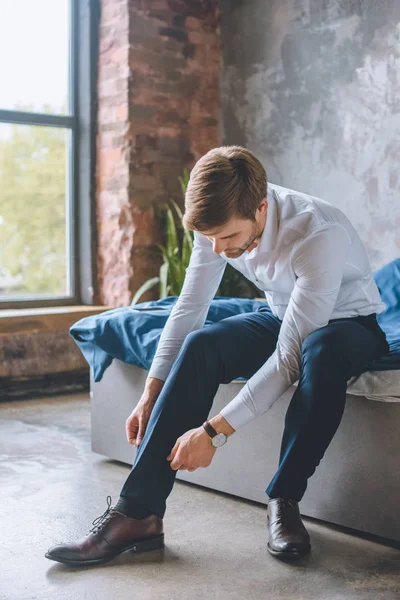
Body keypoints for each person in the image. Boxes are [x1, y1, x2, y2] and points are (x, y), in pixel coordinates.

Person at [45, 145, 390, 566]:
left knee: (318, 353)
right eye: (210, 238)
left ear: (261, 208)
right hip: (282, 313)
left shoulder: (316, 233)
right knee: (203, 343)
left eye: (228, 237)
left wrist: (213, 433)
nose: (218, 248)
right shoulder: (215, 222)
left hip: (349, 324)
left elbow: (288, 359)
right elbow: (190, 307)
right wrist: (152, 392)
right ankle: (138, 514)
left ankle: (284, 499)